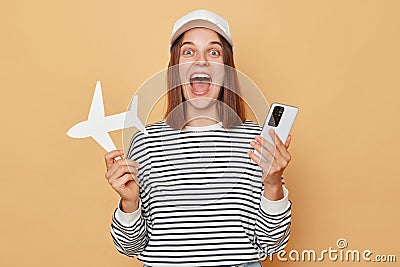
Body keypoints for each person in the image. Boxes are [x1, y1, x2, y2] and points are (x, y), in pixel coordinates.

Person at [104, 9, 292, 267]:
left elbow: (273, 244)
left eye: (213, 52)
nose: (201, 60)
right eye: (189, 51)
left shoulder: (256, 141)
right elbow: (129, 247)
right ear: (175, 70)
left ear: (226, 70)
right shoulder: (146, 143)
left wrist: (273, 184)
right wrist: (130, 202)